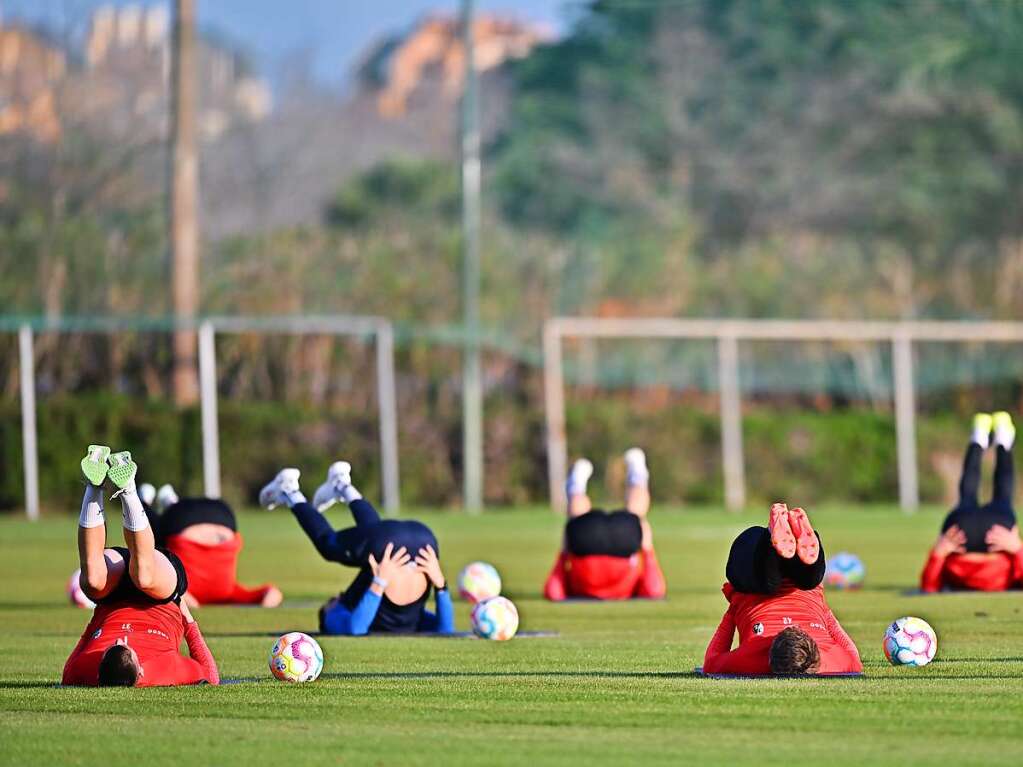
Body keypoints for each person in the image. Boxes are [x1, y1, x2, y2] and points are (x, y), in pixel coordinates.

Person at [62, 445, 219, 687]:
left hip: (112, 596)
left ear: (99, 669)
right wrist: (186, 616)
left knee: (93, 580)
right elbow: (210, 675)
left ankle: (94, 485)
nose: (122, 641)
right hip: (160, 594)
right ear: (141, 673)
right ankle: (128, 489)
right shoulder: (163, 671)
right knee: (143, 576)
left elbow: (79, 652)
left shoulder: (80, 672)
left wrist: (99, 609)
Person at [259, 461, 454, 636]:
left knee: (372, 536)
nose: (336, 596)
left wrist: (380, 583)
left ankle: (330, 487)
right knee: (330, 545)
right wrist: (440, 584)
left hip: (423, 539)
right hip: (418, 553)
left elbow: (356, 628)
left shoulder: (376, 603)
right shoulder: (350, 611)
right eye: (332, 601)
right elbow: (446, 631)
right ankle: (299, 490)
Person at [703, 502, 861, 676]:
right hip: (755, 575)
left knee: (807, 580)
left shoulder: (835, 662)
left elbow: (853, 656)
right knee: (766, 583)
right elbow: (711, 662)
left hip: (807, 588)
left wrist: (822, 607)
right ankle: (771, 537)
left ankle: (793, 538)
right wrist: (734, 608)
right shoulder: (752, 658)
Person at [544, 448, 666, 601]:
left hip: (608, 544)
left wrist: (563, 553)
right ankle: (576, 486)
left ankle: (637, 474)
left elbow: (553, 593)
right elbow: (654, 592)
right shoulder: (631, 588)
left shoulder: (630, 586)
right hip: (597, 545)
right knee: (580, 516)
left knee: (636, 513)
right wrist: (648, 551)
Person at [921, 412, 1023, 592]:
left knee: (1003, 496)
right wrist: (1017, 548)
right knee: (967, 495)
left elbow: (929, 587)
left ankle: (1002, 439)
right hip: (968, 534)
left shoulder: (954, 584)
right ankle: (978, 437)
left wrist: (939, 553)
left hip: (987, 534)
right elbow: (929, 586)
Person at [146, 485, 282, 608]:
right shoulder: (188, 588)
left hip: (222, 515)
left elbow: (273, 593)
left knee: (160, 546)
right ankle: (148, 501)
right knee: (155, 543)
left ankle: (168, 502)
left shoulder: (229, 591)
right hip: (183, 519)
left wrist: (265, 607)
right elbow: (187, 601)